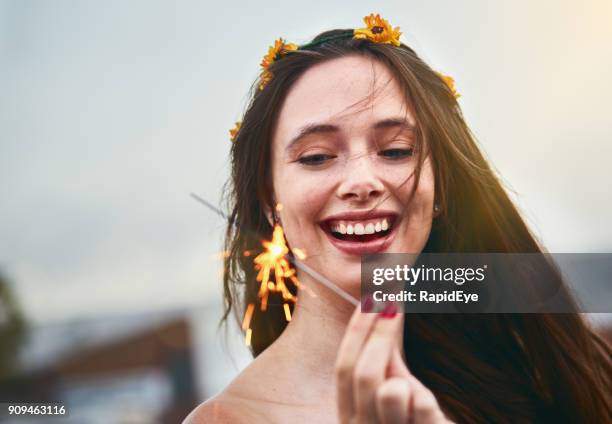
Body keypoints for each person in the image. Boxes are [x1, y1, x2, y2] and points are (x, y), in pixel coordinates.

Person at [184, 14, 612, 423]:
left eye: (395, 150)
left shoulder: (538, 374)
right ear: (267, 197)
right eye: (316, 157)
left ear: (440, 184)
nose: (362, 182)